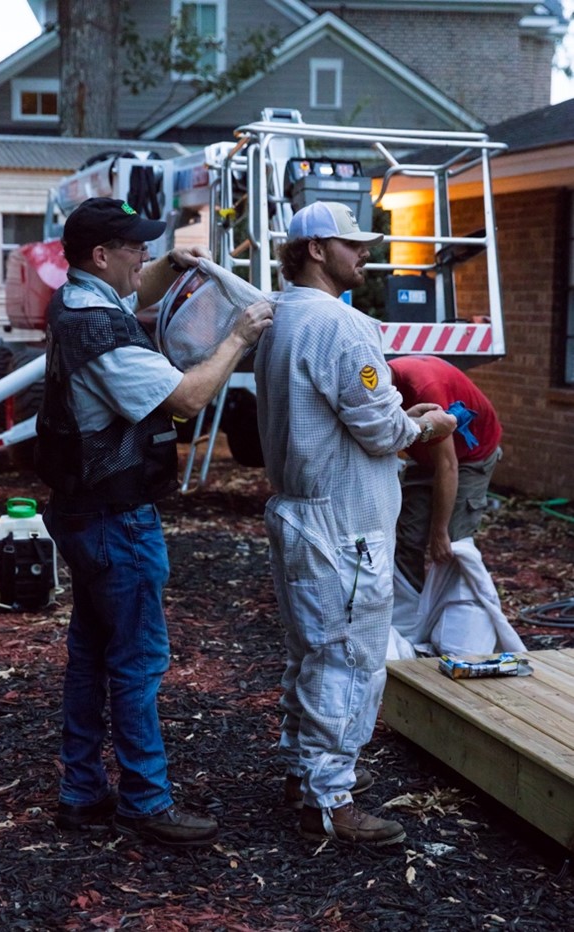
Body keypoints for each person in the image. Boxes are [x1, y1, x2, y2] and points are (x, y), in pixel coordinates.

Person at [35, 197, 273, 848]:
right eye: (135, 248)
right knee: (138, 664)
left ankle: (81, 793)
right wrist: (238, 335)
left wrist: (170, 267)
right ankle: (146, 801)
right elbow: (187, 398)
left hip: (83, 512)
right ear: (101, 256)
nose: (145, 257)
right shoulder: (102, 333)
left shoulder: (76, 301)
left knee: (90, 655)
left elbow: (132, 292)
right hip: (116, 518)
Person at [254, 200, 457, 846]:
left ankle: (304, 772)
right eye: (352, 244)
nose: (364, 254)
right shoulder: (343, 327)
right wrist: (425, 423)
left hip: (300, 510)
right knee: (349, 660)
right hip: (345, 524)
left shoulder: (279, 317)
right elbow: (376, 427)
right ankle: (330, 799)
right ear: (315, 248)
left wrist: (397, 416)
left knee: (310, 653)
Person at [388, 355, 502, 593]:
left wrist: (439, 532)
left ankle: (458, 617)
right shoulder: (371, 390)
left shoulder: (425, 389)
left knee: (452, 543)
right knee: (408, 538)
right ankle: (411, 618)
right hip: (426, 455)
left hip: (470, 456)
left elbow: (448, 466)